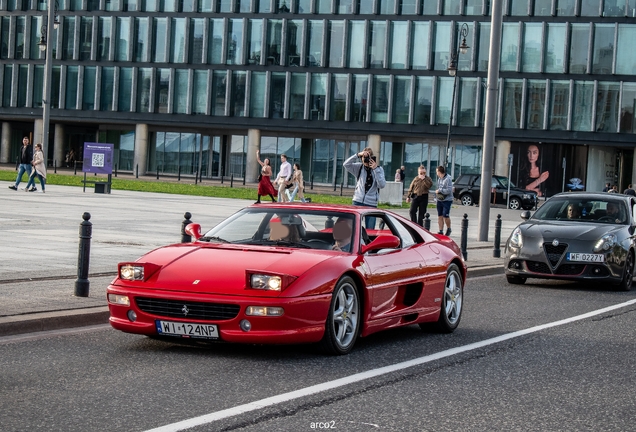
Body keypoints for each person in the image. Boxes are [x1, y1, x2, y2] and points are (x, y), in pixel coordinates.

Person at [343, 147, 386, 229]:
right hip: (358, 200)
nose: (365, 159)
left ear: (372, 158)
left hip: (371, 203)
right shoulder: (359, 167)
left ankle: (368, 242)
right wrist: (357, 155)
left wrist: (375, 169)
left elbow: (382, 185)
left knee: (370, 229)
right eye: (364, 157)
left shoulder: (379, 169)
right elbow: (346, 164)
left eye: (368, 157)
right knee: (354, 227)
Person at [435, 165, 453, 236]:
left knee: (446, 215)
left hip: (447, 200)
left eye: (437, 172)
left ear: (439, 172)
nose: (436, 173)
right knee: (440, 215)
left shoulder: (448, 178)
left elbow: (449, 190)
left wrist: (440, 190)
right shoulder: (439, 179)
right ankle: (441, 230)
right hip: (440, 199)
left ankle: (449, 228)